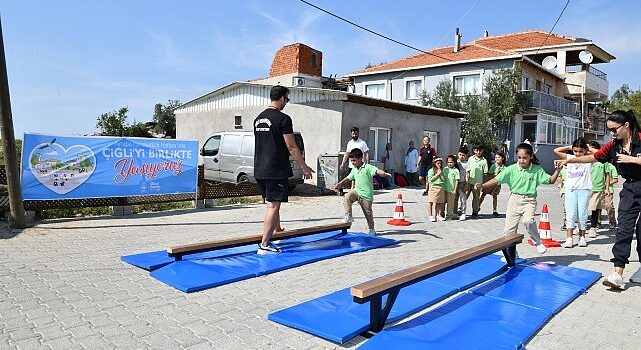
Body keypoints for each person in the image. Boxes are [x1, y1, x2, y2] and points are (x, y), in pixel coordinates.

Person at [555, 110, 641, 290]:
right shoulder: (613, 146)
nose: (612, 133)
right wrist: (570, 161)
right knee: (623, 230)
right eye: (609, 130)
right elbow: (593, 157)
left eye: (614, 129)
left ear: (626, 126)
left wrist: (632, 159)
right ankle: (617, 274)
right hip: (630, 189)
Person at [253, 85, 314, 255]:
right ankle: (264, 245)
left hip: (259, 168)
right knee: (273, 205)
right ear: (281, 98)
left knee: (271, 202)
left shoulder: (258, 119)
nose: (286, 102)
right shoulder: (283, 119)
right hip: (275, 169)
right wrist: (304, 166)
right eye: (287, 99)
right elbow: (291, 146)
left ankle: (277, 230)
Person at [476, 142, 560, 256]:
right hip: (514, 200)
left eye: (525, 158)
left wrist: (557, 171)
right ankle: (512, 254)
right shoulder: (511, 169)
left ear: (530, 157)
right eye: (519, 158)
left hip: (529, 200)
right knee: (509, 231)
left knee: (528, 221)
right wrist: (483, 185)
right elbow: (497, 180)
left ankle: (538, 242)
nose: (522, 160)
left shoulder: (537, 170)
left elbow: (551, 181)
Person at [336, 148, 391, 235]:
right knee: (347, 197)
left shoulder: (368, 167)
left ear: (360, 158)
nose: (353, 163)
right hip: (356, 191)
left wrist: (383, 173)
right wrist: (340, 183)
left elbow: (376, 170)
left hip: (366, 195)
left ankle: (372, 229)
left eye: (354, 160)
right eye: (351, 161)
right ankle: (348, 216)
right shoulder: (354, 169)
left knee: (368, 214)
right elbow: (349, 177)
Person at [554, 138, 592, 248]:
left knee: (582, 214)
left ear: (585, 150)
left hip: (584, 190)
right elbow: (556, 150)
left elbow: (599, 152)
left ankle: (582, 237)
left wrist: (588, 148)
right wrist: (569, 147)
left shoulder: (589, 159)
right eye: (575, 151)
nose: (578, 154)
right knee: (570, 214)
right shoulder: (570, 157)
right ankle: (569, 239)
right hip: (570, 189)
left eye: (581, 151)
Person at [587, 141, 606, 238]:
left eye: (592, 149)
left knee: (594, 209)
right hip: (585, 187)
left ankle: (593, 227)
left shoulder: (602, 161)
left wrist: (606, 188)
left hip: (597, 188)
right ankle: (581, 226)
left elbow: (607, 175)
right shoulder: (585, 160)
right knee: (582, 208)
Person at [479, 152, 506, 217]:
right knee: (483, 194)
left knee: (495, 196)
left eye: (498, 157)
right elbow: (490, 174)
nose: (497, 159)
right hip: (491, 181)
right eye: (496, 157)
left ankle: (494, 210)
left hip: (497, 184)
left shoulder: (504, 167)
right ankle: (478, 206)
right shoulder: (493, 166)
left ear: (502, 158)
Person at [467, 144, 488, 218]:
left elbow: (485, 173)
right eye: (476, 150)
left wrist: (484, 185)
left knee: (476, 197)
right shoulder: (470, 158)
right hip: (469, 181)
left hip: (478, 183)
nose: (478, 152)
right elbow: (467, 170)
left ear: (482, 151)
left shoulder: (484, 161)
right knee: (465, 195)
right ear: (474, 150)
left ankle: (475, 211)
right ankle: (461, 210)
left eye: (480, 150)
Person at [426, 158, 446, 222]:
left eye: (440, 163)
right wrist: (437, 174)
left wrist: (441, 173)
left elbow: (443, 179)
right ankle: (430, 215)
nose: (439, 165)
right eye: (438, 163)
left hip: (440, 187)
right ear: (434, 163)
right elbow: (431, 179)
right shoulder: (431, 170)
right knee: (431, 201)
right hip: (433, 187)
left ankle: (438, 215)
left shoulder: (441, 170)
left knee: (439, 202)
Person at [603, 161, 619, 230]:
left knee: (609, 206)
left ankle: (612, 221)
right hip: (597, 189)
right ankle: (596, 223)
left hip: (608, 190)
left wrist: (606, 184)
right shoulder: (596, 165)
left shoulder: (611, 167)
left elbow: (615, 179)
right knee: (597, 207)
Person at [444, 155, 460, 220]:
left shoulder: (456, 170)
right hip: (444, 189)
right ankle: (441, 214)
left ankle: (449, 215)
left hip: (451, 189)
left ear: (454, 163)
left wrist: (455, 190)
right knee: (443, 202)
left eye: (451, 162)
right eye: (448, 162)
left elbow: (457, 180)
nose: (449, 164)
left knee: (450, 203)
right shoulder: (445, 169)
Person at [456, 146, 470, 221]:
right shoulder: (455, 162)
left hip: (462, 183)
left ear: (466, 156)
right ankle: (454, 212)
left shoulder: (467, 164)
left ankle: (463, 213)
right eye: (460, 154)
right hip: (455, 183)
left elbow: (468, 175)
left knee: (463, 199)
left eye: (463, 155)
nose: (461, 156)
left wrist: (467, 184)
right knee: (454, 198)